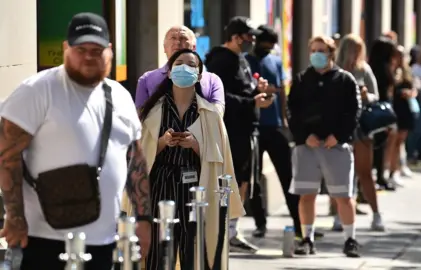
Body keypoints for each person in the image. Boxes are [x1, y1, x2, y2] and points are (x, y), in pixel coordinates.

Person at [0, 13, 151, 269]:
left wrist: (144, 218)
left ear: (110, 51)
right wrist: (14, 216)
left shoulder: (121, 97)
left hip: (105, 240)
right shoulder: (37, 90)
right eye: (81, 49)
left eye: (97, 49)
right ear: (65, 49)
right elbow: (6, 155)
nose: (89, 56)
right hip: (43, 239)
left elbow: (135, 160)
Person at [128, 48, 243, 270]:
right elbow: (140, 154)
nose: (185, 68)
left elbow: (219, 159)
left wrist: (195, 145)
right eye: (179, 63)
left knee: (194, 248)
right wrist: (162, 142)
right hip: (160, 183)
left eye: (191, 65)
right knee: (158, 250)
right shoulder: (152, 111)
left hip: (195, 186)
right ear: (169, 72)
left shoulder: (209, 113)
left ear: (199, 75)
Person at [288, 35, 362, 257]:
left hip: (335, 146)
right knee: (307, 194)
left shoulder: (345, 80)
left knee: (343, 196)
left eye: (321, 50)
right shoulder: (301, 80)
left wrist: (339, 136)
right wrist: (303, 135)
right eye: (313, 50)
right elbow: (292, 112)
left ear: (331, 52)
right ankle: (307, 238)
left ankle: (350, 239)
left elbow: (354, 112)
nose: (316, 54)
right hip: (307, 146)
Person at [204, 16, 272, 253]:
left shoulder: (240, 58)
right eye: (248, 36)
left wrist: (257, 91)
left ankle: (233, 230)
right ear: (235, 37)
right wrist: (250, 101)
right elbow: (219, 98)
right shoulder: (221, 60)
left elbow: (241, 89)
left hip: (247, 129)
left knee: (243, 179)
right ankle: (225, 231)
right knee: (230, 180)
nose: (252, 40)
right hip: (232, 130)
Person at [244, 25, 301, 239]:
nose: (266, 48)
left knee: (287, 176)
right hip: (255, 127)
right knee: (254, 179)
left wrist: (285, 121)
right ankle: (260, 223)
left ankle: (298, 222)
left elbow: (281, 91)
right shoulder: (247, 61)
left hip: (274, 126)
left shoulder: (275, 61)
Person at [334, 33, 385, 232]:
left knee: (364, 171)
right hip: (339, 124)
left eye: (359, 49)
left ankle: (376, 213)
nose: (356, 53)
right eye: (353, 49)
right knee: (338, 173)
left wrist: (366, 95)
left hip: (361, 125)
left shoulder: (364, 69)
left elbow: (376, 96)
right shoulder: (336, 69)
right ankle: (338, 214)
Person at [135, 25, 225, 115]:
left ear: (194, 47)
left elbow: (217, 115)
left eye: (183, 38)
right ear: (164, 48)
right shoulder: (146, 80)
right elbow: (140, 119)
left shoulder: (212, 80)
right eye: (173, 38)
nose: (177, 42)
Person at [368, 37, 398, 190]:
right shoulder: (380, 68)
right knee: (379, 144)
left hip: (382, 108)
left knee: (381, 143)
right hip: (380, 109)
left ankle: (380, 175)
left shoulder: (380, 66)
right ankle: (379, 176)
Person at [389, 46, 419, 184]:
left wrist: (411, 93)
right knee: (393, 141)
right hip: (395, 108)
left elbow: (414, 88)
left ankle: (400, 166)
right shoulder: (391, 70)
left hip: (406, 108)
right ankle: (392, 169)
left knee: (401, 140)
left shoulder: (407, 71)